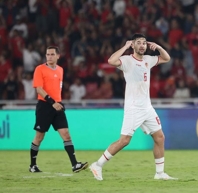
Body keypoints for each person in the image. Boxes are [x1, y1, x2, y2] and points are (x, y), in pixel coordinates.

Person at [89, 33, 177, 181]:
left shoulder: (148, 59)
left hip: (147, 107)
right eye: (138, 43)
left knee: (160, 137)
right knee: (124, 141)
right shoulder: (127, 60)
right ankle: (97, 165)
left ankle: (160, 173)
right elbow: (111, 60)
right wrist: (125, 46)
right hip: (134, 108)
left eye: (144, 42)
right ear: (133, 45)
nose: (142, 45)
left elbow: (167, 58)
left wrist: (160, 48)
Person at [29, 46, 88, 173]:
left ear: (58, 56)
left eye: (52, 54)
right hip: (45, 106)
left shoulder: (60, 70)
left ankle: (75, 164)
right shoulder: (40, 69)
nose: (49, 57)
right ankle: (32, 165)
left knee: (66, 134)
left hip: (57, 105)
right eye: (47, 54)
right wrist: (52, 102)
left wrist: (58, 102)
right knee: (39, 136)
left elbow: (57, 89)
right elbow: (39, 89)